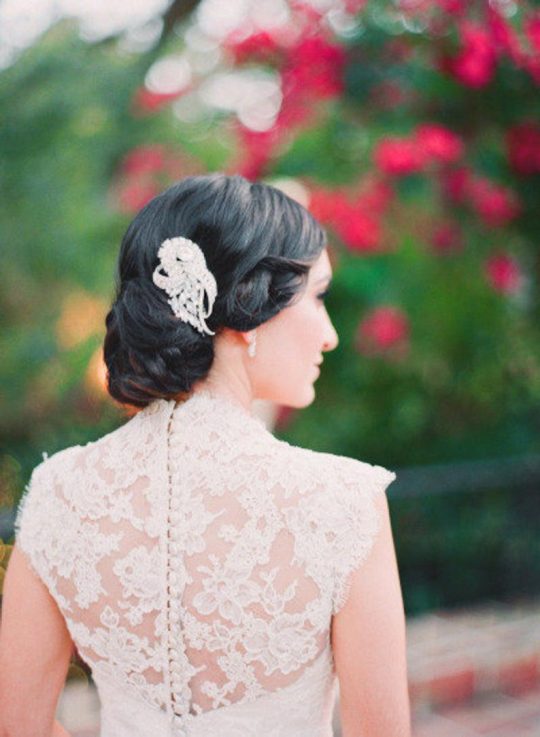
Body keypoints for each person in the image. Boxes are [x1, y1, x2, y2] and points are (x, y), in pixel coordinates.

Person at [0, 174, 410, 737]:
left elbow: (16, 724)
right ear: (251, 308)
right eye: (318, 297)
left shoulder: (58, 491)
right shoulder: (343, 503)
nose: (330, 334)